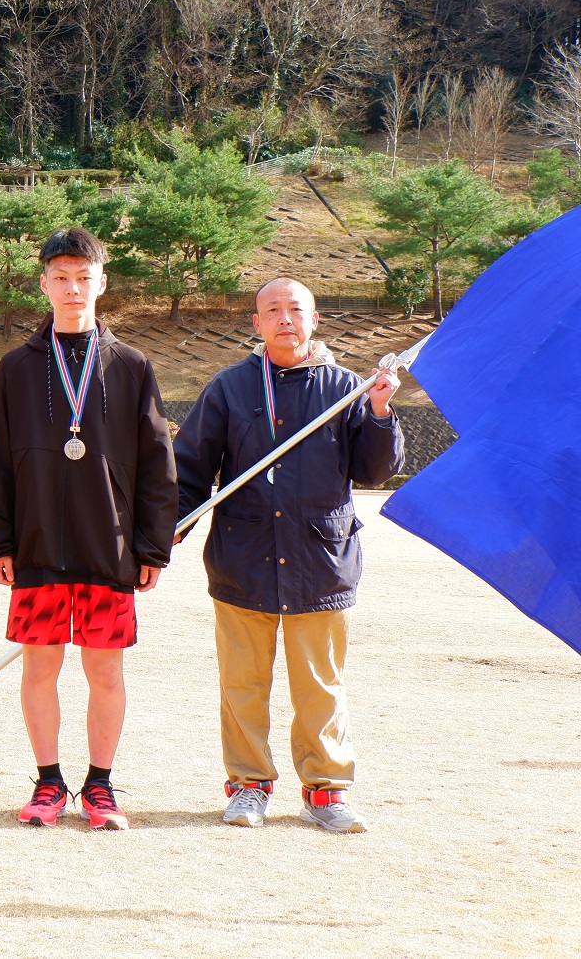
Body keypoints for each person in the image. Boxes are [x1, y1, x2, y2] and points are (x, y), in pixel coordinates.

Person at [173, 277, 402, 835]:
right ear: (256, 323)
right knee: (243, 683)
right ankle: (248, 785)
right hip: (243, 556)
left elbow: (375, 471)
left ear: (314, 318)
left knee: (319, 684)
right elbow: (191, 467)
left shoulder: (349, 388)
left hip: (321, 560)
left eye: (294, 309)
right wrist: (167, 528)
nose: (283, 319)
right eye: (270, 310)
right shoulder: (230, 388)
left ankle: (326, 791)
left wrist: (377, 410)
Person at [0, 227, 178, 830]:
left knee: (105, 671)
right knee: (39, 667)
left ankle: (100, 785)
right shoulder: (15, 368)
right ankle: (47, 782)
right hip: (35, 547)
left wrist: (151, 547)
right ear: (44, 283)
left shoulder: (132, 367)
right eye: (60, 278)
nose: (72, 288)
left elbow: (156, 466)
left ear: (102, 284)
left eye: (83, 278)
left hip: (108, 547)